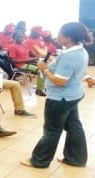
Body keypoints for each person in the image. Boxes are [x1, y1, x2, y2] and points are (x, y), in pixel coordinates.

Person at [21, 22, 93, 168]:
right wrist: (53, 64)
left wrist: (44, 69)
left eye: (60, 33)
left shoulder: (70, 56)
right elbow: (69, 71)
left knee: (52, 130)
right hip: (73, 95)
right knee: (74, 126)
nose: (57, 36)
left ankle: (40, 160)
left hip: (60, 98)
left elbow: (60, 81)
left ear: (68, 38)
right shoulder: (79, 51)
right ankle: (76, 159)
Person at [8, 30, 46, 96]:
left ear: (23, 37)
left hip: (28, 62)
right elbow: (13, 61)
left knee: (45, 67)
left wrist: (35, 59)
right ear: (14, 38)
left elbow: (27, 56)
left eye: (21, 37)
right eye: (18, 37)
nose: (20, 38)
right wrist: (30, 59)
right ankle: (39, 89)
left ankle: (42, 86)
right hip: (20, 65)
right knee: (41, 70)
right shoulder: (12, 47)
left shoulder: (24, 45)